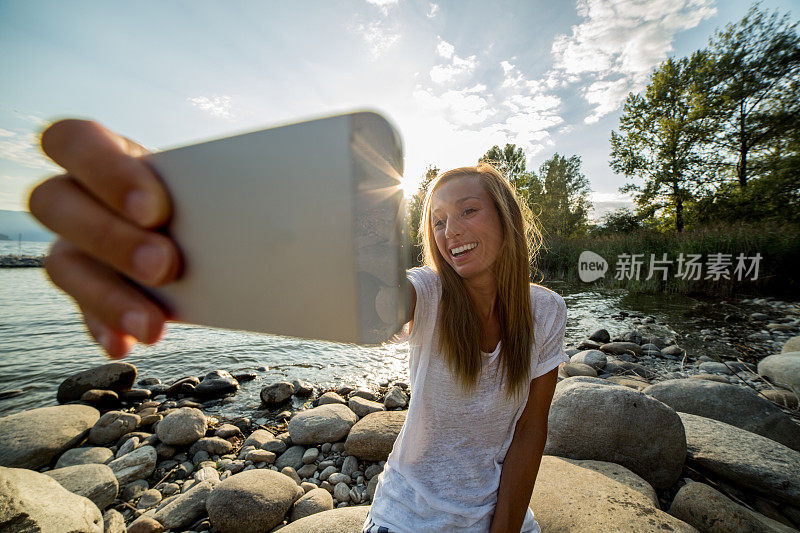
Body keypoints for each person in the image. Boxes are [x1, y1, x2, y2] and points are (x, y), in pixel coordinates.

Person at [29, 119, 567, 532]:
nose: (452, 232)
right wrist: (195, 228)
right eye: (439, 221)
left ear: (505, 217)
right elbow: (372, 295)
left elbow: (529, 432)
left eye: (468, 211)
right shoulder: (426, 293)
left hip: (504, 517)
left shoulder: (545, 311)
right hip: (410, 517)